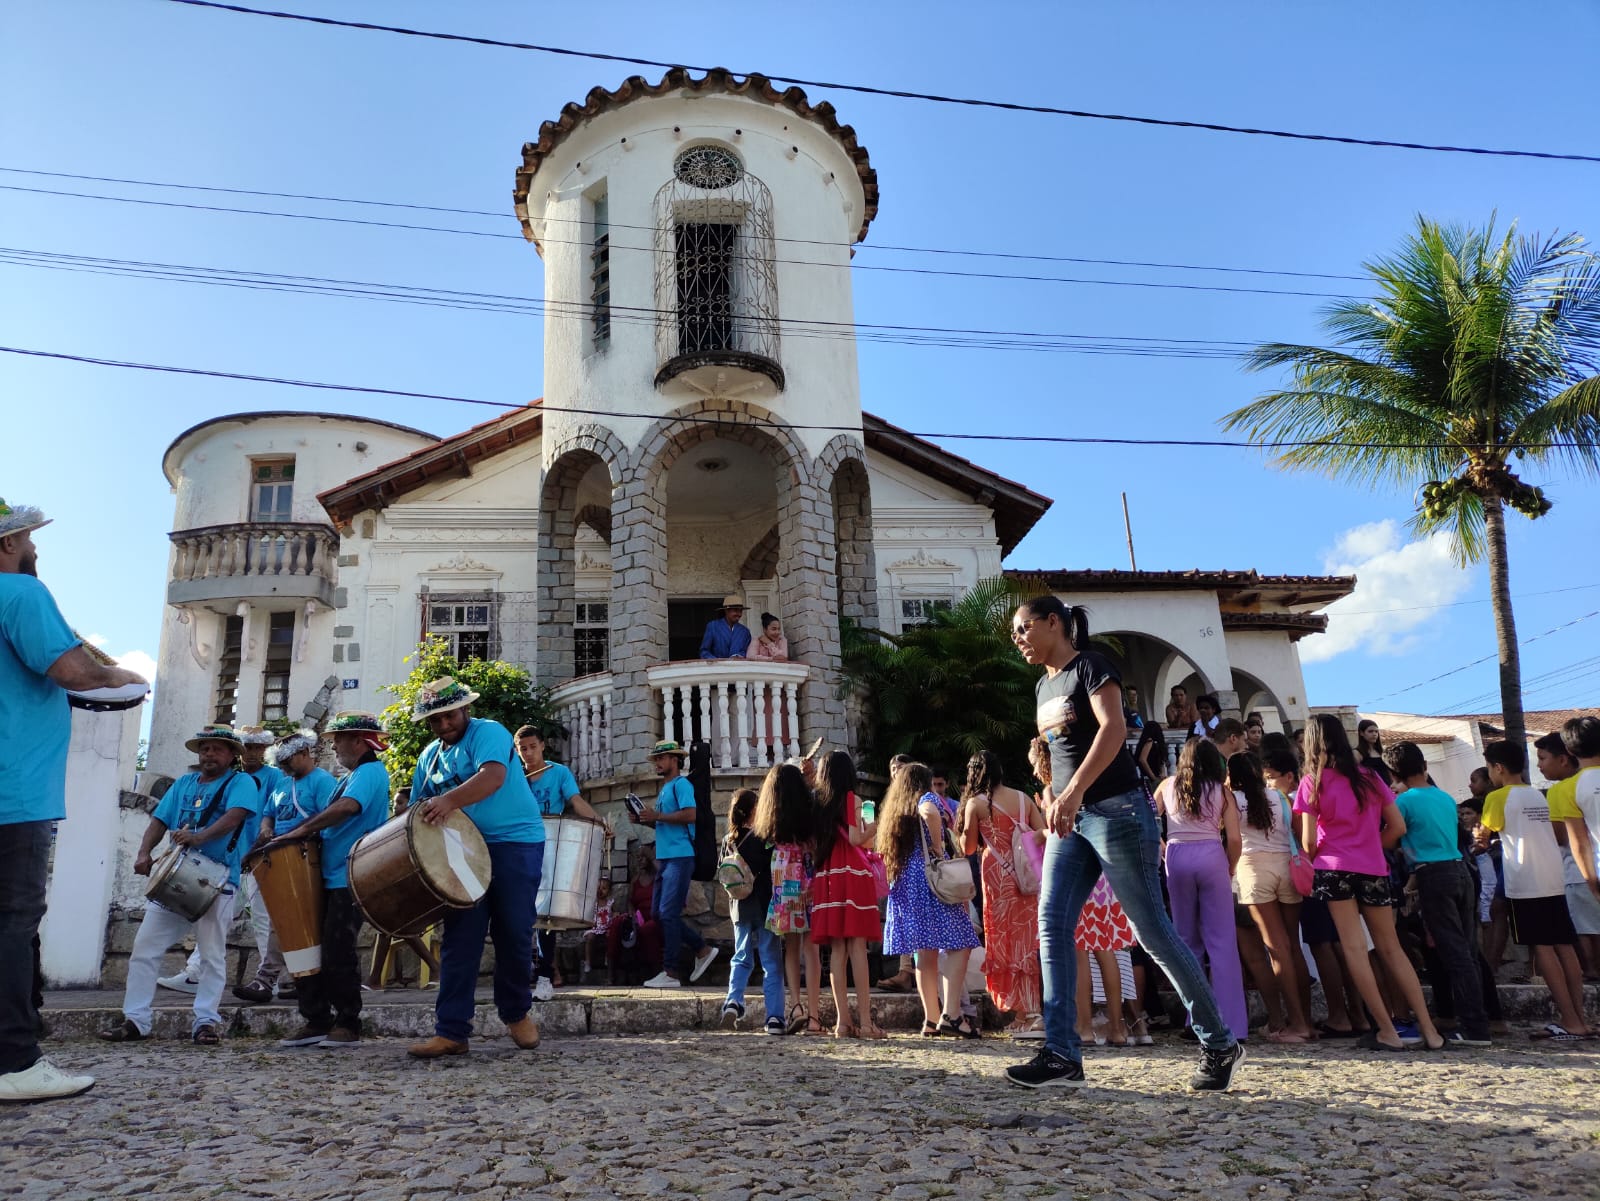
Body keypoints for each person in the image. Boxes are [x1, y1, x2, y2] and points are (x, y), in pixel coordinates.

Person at [1006, 596, 1243, 1092]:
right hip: (1073, 819)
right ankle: (1061, 1054)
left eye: (1025, 627)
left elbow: (1114, 730)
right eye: (1014, 633)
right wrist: (1056, 796)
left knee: (1151, 930)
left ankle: (1219, 1042)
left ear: (1055, 623)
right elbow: (1059, 752)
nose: (1019, 638)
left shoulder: (1091, 666)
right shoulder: (1042, 686)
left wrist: (1070, 794)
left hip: (1119, 811)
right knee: (1052, 925)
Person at [0, 499, 147, 1101]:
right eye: (31, 539)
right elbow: (74, 671)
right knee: (12, 924)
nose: (36, 549)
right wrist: (123, 677)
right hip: (13, 792)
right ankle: (13, 1062)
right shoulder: (21, 592)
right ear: (10, 542)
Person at [405, 677, 545, 1058]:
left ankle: (516, 1012)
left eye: (449, 715)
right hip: (461, 852)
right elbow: (418, 810)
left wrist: (448, 801)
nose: (443, 724)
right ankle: (451, 1031)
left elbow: (493, 777)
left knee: (514, 933)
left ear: (464, 709)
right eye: (434, 720)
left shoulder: (489, 732)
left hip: (514, 842)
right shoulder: (429, 756)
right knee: (460, 939)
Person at [1294, 713, 1445, 1052]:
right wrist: (1370, 845)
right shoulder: (1369, 778)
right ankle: (1429, 1030)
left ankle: (1388, 1030)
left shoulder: (1312, 783)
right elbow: (1397, 828)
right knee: (1391, 948)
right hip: (1373, 868)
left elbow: (1307, 843)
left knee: (1354, 949)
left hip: (1334, 868)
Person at [101, 727, 260, 1047]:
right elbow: (159, 820)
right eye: (204, 749)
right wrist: (144, 853)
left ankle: (206, 1021)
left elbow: (236, 815)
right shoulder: (185, 783)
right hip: (175, 875)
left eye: (216, 749)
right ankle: (135, 1019)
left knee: (212, 955)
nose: (209, 754)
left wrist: (199, 837)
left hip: (216, 880)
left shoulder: (241, 782)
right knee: (145, 948)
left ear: (231, 755)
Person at [273, 714, 391, 1048]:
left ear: (357, 741)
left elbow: (348, 808)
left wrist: (303, 829)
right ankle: (317, 1020)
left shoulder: (370, 772)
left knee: (338, 950)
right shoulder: (354, 774)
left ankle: (348, 1023)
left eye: (338, 739)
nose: (334, 745)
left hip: (350, 874)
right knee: (310, 949)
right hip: (329, 874)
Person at [1480, 740, 1590, 1040]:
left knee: (1542, 949)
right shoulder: (1540, 795)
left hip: (1525, 881)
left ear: (1498, 768)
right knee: (1565, 946)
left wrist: (1479, 836)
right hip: (1553, 877)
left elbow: (1484, 834)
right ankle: (1579, 1018)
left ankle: (1569, 1020)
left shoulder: (1497, 798)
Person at [1385, 740, 1492, 1047]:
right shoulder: (1445, 798)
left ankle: (1474, 1028)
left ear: (1394, 773)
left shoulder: (1404, 803)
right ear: (1425, 766)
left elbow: (1393, 838)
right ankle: (1476, 1021)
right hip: (1461, 871)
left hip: (1434, 876)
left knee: (1454, 953)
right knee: (1468, 951)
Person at [1263, 748, 1364, 1039]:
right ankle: (1356, 1013)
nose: (1268, 785)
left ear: (1289, 776)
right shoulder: (1342, 788)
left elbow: (1303, 838)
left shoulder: (1296, 799)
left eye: (1271, 778)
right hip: (1341, 866)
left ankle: (1338, 1015)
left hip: (1313, 871)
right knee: (1340, 944)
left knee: (1322, 945)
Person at [876, 762, 981, 1038]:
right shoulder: (927, 799)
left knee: (925, 952)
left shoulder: (895, 809)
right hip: (930, 879)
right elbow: (930, 810)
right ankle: (952, 1014)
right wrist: (937, 847)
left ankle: (931, 1019)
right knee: (962, 941)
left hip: (906, 881)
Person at [1154, 739, 1249, 1043]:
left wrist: (1162, 848)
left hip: (1178, 855)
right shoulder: (1223, 792)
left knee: (1185, 940)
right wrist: (1231, 867)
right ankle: (1231, 1022)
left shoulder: (1167, 785)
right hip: (1211, 855)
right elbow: (1234, 840)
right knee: (1221, 941)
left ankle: (1193, 1021)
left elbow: (1143, 819)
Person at [244, 729, 338, 1000]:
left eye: (288, 761)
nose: (284, 767)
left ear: (305, 753)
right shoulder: (283, 785)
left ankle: (267, 979)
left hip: (306, 856)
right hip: (279, 856)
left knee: (287, 920)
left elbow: (326, 819)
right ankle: (292, 980)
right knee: (283, 919)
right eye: (280, 763)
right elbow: (268, 815)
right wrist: (265, 830)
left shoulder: (322, 781)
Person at [1229, 751, 1313, 1042]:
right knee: (1292, 947)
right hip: (1286, 869)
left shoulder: (1232, 800)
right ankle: (1305, 1020)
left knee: (1274, 949)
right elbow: (1300, 835)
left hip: (1253, 872)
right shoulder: (1280, 797)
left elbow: (1228, 838)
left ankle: (1293, 1024)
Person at [515, 724, 604, 1001]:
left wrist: (597, 821)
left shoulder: (559, 773)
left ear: (542, 745)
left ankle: (544, 977)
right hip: (518, 847)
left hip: (549, 846)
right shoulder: (514, 777)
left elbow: (575, 801)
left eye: (532, 747)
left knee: (545, 916)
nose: (528, 753)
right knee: (517, 914)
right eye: (522, 749)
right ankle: (518, 977)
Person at [961, 750, 1044, 1036]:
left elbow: (969, 847)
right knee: (1027, 942)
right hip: (1025, 877)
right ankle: (1029, 1011)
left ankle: (1028, 1013)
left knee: (1005, 941)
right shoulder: (1024, 798)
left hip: (997, 877)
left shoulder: (977, 804)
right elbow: (1042, 833)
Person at [808, 751, 884, 1038]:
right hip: (852, 874)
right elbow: (860, 840)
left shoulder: (819, 804)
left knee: (837, 950)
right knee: (858, 948)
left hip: (829, 876)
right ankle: (865, 1023)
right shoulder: (853, 800)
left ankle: (843, 1022)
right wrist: (873, 820)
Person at [634, 739, 717, 988]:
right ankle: (701, 950)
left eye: (662, 758)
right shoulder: (666, 788)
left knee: (668, 913)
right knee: (659, 914)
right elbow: (665, 822)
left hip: (681, 857)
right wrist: (645, 820)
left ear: (675, 760)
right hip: (667, 858)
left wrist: (657, 815)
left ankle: (670, 973)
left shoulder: (682, 785)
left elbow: (690, 815)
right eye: (656, 759)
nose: (658, 763)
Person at [753, 762, 823, 1033]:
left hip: (783, 872)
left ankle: (795, 1005)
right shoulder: (810, 810)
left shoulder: (772, 812)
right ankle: (814, 1015)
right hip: (807, 870)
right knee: (811, 945)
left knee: (791, 944)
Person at [227, 726, 287, 1004]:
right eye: (247, 747)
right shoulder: (233, 778)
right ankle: (193, 970)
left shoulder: (274, 777)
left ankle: (268, 978)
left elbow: (271, 817)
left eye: (257, 748)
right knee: (218, 912)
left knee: (263, 918)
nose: (251, 753)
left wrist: (258, 850)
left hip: (259, 856)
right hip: (231, 856)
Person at [1534, 732, 1600, 980]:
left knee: (1584, 929)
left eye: (1542, 758)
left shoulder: (1563, 790)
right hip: (1584, 868)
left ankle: (1590, 972)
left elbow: (1565, 837)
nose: (1539, 765)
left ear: (1564, 758)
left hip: (1580, 870)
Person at [719, 789, 783, 1033]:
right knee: (771, 962)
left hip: (739, 908)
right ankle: (775, 1017)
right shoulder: (766, 838)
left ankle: (733, 1002)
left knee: (741, 956)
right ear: (755, 810)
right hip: (765, 906)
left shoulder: (728, 840)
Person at [699, 595, 752, 660]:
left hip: (738, 668)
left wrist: (738, 656)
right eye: (735, 610)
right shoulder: (713, 626)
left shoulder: (745, 631)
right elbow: (704, 651)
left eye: (740, 611)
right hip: (717, 668)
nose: (739, 614)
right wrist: (715, 661)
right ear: (726, 610)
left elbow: (746, 652)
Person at [1134, 719, 1168, 787]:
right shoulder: (1149, 742)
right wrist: (1153, 777)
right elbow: (1142, 759)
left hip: (1149, 776)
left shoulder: (1149, 743)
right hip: (1150, 778)